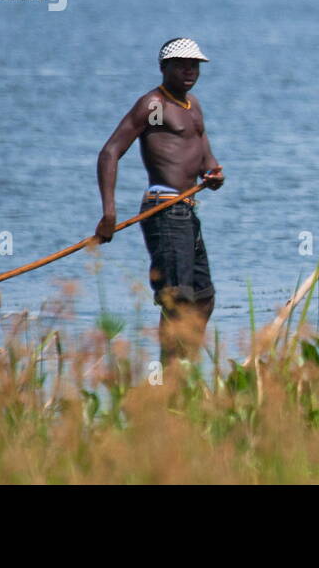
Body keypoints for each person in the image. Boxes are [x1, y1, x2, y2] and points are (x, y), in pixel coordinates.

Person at [95, 38, 224, 364]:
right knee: (176, 298)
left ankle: (184, 365)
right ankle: (171, 375)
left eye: (194, 65)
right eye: (181, 64)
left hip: (187, 210)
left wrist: (213, 175)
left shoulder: (192, 105)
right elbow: (110, 152)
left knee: (203, 297)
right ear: (163, 67)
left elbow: (205, 156)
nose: (188, 70)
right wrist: (109, 212)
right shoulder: (152, 105)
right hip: (164, 209)